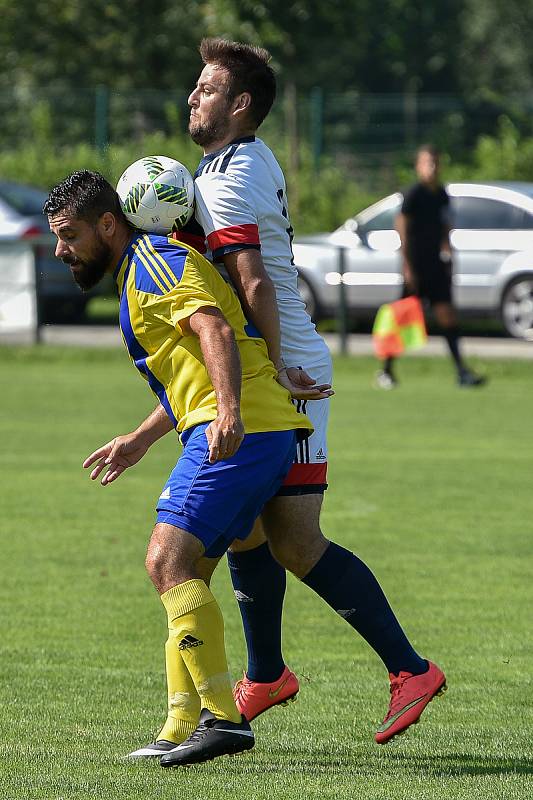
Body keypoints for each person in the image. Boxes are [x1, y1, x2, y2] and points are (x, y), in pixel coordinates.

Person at [178, 37, 445, 746]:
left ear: (240, 104)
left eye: (207, 87)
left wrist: (269, 365)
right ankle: (266, 676)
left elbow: (254, 279)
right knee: (244, 525)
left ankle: (409, 669)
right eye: (194, 86)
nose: (192, 96)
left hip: (283, 367)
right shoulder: (230, 162)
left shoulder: (231, 173)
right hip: (271, 360)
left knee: (293, 541)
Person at [44, 169, 316, 767]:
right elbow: (187, 369)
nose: (61, 250)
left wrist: (230, 412)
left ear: (109, 224)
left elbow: (214, 329)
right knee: (186, 568)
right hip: (249, 426)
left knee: (165, 560)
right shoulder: (137, 272)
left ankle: (225, 720)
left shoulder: (152, 262)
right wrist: (138, 440)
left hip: (246, 429)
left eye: (69, 235)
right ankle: (180, 724)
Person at [376, 144, 486, 389]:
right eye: (428, 163)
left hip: (435, 267)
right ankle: (386, 372)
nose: (432, 168)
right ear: (418, 166)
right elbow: (401, 225)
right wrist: (406, 266)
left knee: (447, 316)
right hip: (415, 267)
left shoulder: (441, 195)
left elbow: (445, 226)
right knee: (401, 319)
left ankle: (461, 372)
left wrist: (448, 252)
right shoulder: (413, 194)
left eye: (436, 162)